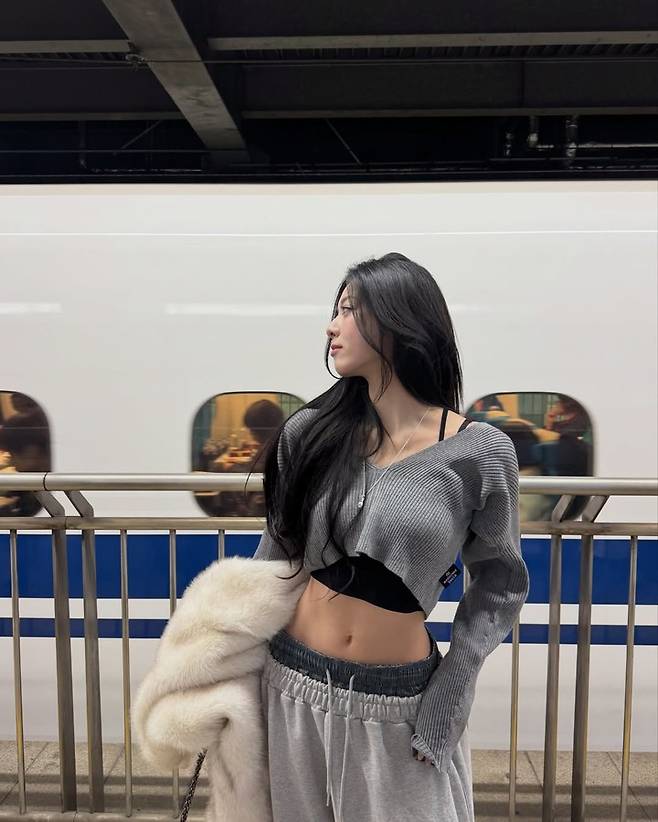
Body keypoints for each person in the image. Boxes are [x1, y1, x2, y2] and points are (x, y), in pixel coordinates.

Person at [252, 252, 530, 822]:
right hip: (290, 683)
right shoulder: (310, 433)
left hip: (398, 702)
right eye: (336, 310)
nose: (331, 326)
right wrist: (223, 670)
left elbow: (500, 584)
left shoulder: (480, 452)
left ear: (399, 322)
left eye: (348, 310)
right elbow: (273, 556)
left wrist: (453, 690)